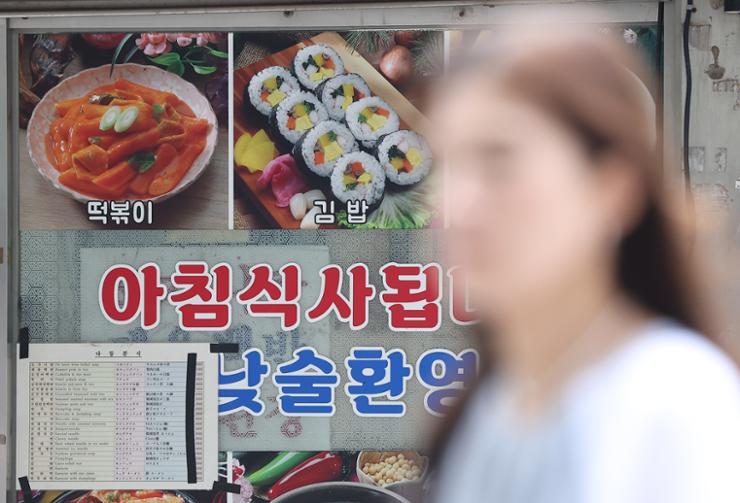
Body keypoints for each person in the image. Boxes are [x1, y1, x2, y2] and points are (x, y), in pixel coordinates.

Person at [430, 28, 740, 503]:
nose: (459, 207)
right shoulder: (496, 407)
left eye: (499, 162)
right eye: (450, 165)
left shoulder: (675, 400)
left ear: (612, 185)